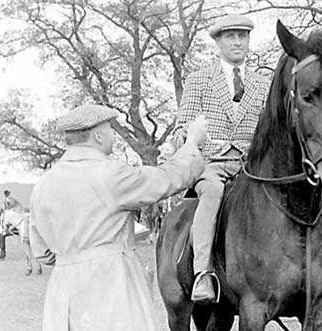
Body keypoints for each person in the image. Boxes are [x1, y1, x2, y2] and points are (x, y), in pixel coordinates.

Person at [29, 104, 208, 331]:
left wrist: (76, 261)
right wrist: (192, 143)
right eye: (111, 130)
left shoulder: (43, 185)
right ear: (99, 135)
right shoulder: (110, 174)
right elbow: (167, 179)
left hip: (62, 291)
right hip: (111, 285)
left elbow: (42, 253)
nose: (113, 135)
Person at [173, 13, 271, 303]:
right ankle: (202, 272)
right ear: (218, 42)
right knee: (213, 192)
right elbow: (183, 125)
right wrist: (189, 138)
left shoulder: (263, 84)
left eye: (243, 36)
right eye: (231, 36)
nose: (238, 41)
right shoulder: (199, 80)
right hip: (211, 165)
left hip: (251, 167)